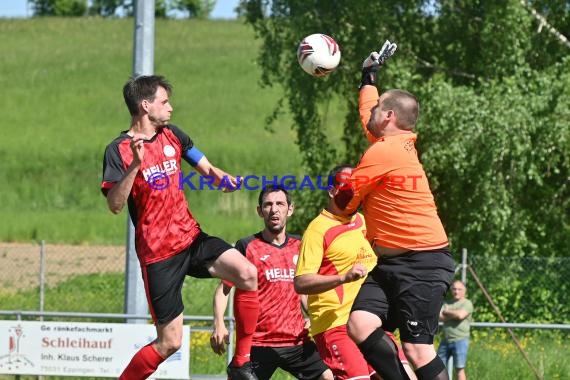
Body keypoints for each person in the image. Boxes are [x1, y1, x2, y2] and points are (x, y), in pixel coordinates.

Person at [100, 75, 260, 380]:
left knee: (248, 274)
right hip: (158, 255)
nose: (170, 108)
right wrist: (136, 165)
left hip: (191, 239)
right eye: (164, 101)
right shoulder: (118, 150)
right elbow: (115, 205)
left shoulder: (172, 135)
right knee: (170, 342)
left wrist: (224, 180)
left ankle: (240, 363)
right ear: (145, 106)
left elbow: (207, 167)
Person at [333, 42, 456, 380]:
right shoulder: (390, 143)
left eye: (377, 112)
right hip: (391, 264)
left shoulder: (383, 153)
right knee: (360, 323)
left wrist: (333, 206)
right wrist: (368, 75)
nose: (368, 117)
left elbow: (345, 205)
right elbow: (368, 112)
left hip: (422, 263)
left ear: (388, 117)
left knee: (417, 349)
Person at [294, 165, 415, 380]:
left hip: (368, 321)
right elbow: (301, 282)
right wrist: (344, 277)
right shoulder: (317, 230)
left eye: (356, 190)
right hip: (335, 324)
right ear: (332, 191)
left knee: (405, 375)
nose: (352, 196)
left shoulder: (363, 221)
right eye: (346, 189)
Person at [210, 185, 333, 380]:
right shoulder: (247, 246)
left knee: (328, 377)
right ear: (260, 211)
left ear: (289, 209)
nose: (274, 209)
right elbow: (223, 290)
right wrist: (218, 324)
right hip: (258, 343)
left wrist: (316, 318)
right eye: (268, 205)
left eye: (280, 204)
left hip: (297, 342)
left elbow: (303, 291)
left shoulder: (300, 246)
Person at [437, 280, 473, 380]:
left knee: (459, 369)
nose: (456, 291)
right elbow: (439, 317)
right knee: (438, 368)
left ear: (464, 291)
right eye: (454, 289)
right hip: (445, 340)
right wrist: (455, 314)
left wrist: (447, 312)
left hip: (460, 340)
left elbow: (461, 315)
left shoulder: (467, 303)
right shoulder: (447, 303)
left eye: (459, 289)